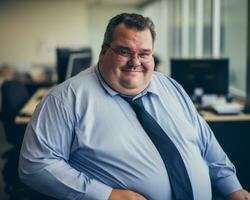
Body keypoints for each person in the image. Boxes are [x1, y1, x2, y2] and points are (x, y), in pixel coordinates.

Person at [19, 13, 250, 200]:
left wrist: (231, 186)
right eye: (124, 51)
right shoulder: (65, 99)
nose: (135, 62)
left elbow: (205, 141)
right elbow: (36, 164)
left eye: (144, 53)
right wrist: (107, 195)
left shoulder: (170, 86)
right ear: (103, 51)